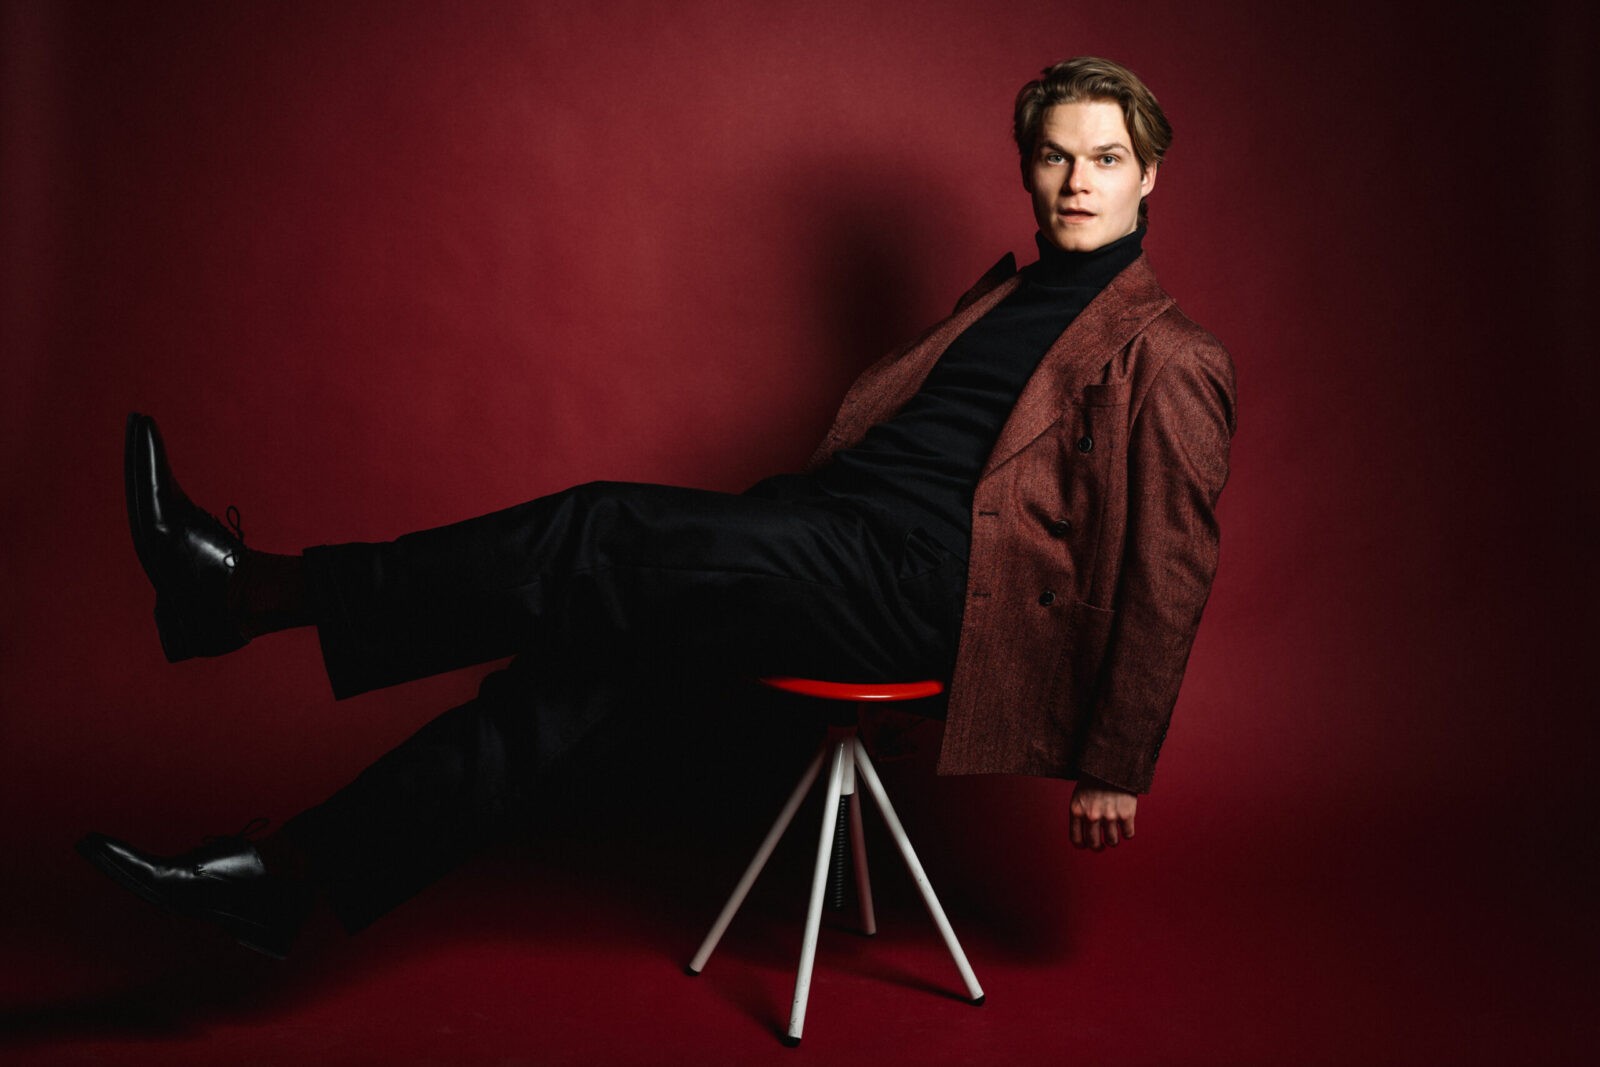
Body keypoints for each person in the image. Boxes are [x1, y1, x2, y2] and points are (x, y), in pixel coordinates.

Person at [77, 57, 1236, 960]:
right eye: (1053, 155)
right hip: (825, 537)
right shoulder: (1008, 297)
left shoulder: (1170, 356)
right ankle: (289, 877)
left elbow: (1171, 567)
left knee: (599, 528)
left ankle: (254, 592)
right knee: (573, 672)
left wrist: (1116, 760)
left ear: (1148, 176)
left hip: (920, 590)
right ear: (1026, 169)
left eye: (1105, 157)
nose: (1076, 180)